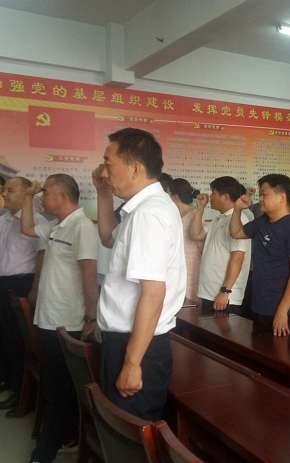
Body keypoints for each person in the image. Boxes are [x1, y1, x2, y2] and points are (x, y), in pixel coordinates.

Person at [93, 128, 186, 420]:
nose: (104, 172)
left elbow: (153, 292)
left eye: (108, 163)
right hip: (130, 340)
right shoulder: (141, 209)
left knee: (130, 430)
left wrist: (132, 363)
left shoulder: (149, 214)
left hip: (136, 345)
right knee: (122, 426)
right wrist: (103, 193)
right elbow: (108, 237)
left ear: (135, 168)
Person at [20, 174, 99, 463]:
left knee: (59, 388)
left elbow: (89, 274)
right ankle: (66, 436)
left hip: (68, 322)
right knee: (55, 385)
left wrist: (91, 317)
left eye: (46, 192)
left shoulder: (82, 227)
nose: (42, 198)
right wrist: (29, 195)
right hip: (49, 318)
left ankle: (45, 451)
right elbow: (27, 228)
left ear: (63, 196)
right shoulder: (57, 225)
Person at [229, 174, 290, 336]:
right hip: (260, 305)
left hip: (284, 312)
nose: (260, 199)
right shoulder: (262, 222)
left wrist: (282, 311)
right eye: (260, 195)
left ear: (281, 197)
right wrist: (237, 209)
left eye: (264, 195)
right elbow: (236, 233)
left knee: (282, 352)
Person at [0, 177, 46, 413]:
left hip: (22, 284)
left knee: (18, 339)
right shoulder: (4, 220)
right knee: (4, 337)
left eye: (10, 190)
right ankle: (9, 382)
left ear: (26, 193)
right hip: (3, 283)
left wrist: (34, 289)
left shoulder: (36, 222)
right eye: (4, 190)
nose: (5, 194)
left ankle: (21, 393)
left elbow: (41, 258)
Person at [192, 176, 252, 316]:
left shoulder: (239, 220)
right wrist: (200, 208)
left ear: (225, 197)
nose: (211, 197)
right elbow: (196, 235)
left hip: (224, 296)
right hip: (210, 292)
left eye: (214, 193)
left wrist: (225, 291)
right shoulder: (219, 218)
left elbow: (238, 258)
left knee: (222, 329)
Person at [169, 178, 202, 302]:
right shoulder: (173, 215)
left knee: (189, 305)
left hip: (192, 268)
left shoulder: (196, 215)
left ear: (175, 196)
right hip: (174, 268)